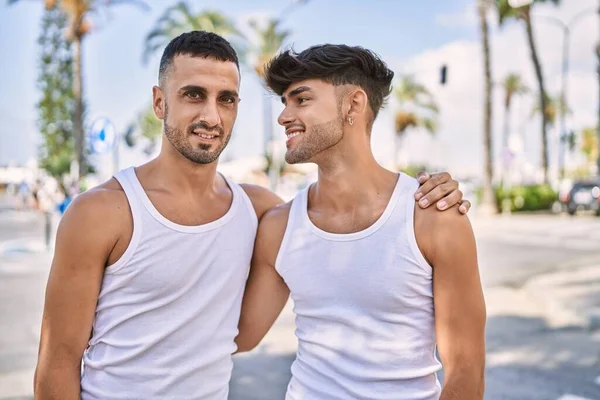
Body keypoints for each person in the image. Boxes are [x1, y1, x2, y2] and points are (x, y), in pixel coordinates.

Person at [34, 32, 470, 399]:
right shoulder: (99, 213)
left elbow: (238, 334)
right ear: (159, 102)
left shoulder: (261, 212)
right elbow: (57, 362)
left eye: (226, 99)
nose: (211, 115)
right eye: (193, 95)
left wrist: (433, 194)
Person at [235, 44, 486, 400]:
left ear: (353, 104)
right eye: (284, 103)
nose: (283, 117)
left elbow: (466, 370)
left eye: (301, 100)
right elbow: (240, 335)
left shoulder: (432, 217)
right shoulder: (278, 227)